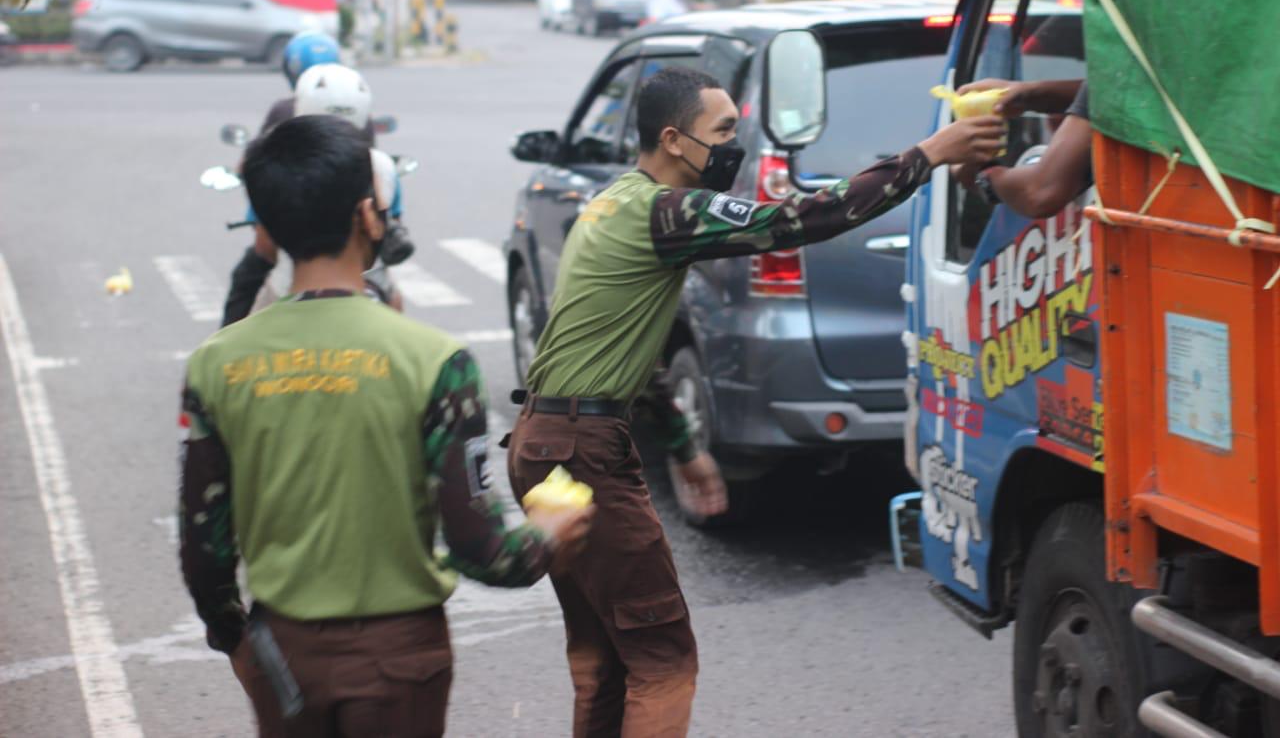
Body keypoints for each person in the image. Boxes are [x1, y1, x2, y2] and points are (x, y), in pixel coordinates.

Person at [508, 66, 1005, 737]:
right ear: (674, 140)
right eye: (722, 133)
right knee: (663, 659)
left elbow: (617, 357)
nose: (731, 148)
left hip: (547, 444)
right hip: (584, 452)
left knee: (606, 655)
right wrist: (928, 156)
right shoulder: (667, 210)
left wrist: (685, 449)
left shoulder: (612, 203)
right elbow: (804, 218)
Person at [180, 114, 594, 738]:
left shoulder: (216, 364)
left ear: (266, 226)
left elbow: (203, 549)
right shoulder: (434, 362)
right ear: (368, 216)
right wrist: (549, 531)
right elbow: (484, 552)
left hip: (281, 656)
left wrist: (236, 638)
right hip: (398, 660)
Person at [221, 38, 413, 326]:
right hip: (368, 280)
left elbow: (265, 245)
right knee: (394, 302)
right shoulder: (381, 167)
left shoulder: (282, 162)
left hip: (289, 283)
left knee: (245, 289)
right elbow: (391, 231)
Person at [950, 78, 1092, 218]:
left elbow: (1039, 195)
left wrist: (981, 175)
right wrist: (1028, 94)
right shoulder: (1108, 77)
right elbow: (1094, 93)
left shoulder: (1108, 71)